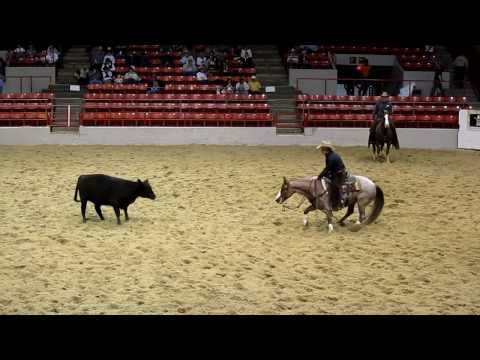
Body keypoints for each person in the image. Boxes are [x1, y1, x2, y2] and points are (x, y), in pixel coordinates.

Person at [316, 141, 348, 210]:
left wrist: (320, 176)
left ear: (325, 149)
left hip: (339, 174)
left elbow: (327, 168)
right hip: (334, 172)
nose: (321, 151)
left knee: (335, 186)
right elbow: (328, 168)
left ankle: (337, 203)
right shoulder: (329, 155)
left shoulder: (331, 157)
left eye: (321, 149)